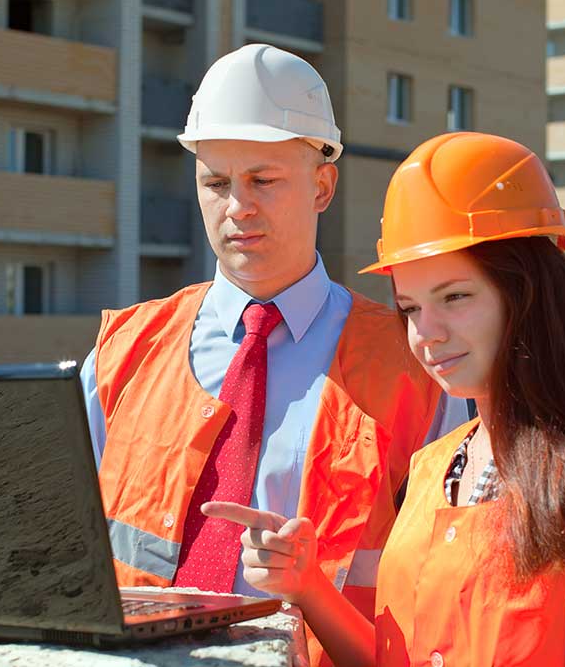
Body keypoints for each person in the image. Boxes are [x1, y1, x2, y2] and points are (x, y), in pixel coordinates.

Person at [205, 132, 565, 666]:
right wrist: (308, 586)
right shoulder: (434, 467)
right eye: (410, 308)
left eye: (454, 297)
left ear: (529, 296)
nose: (426, 333)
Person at [79, 44, 469, 665]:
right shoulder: (122, 352)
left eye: (263, 179)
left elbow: (450, 586)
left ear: (322, 185)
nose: (239, 206)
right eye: (216, 182)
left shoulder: (419, 365)